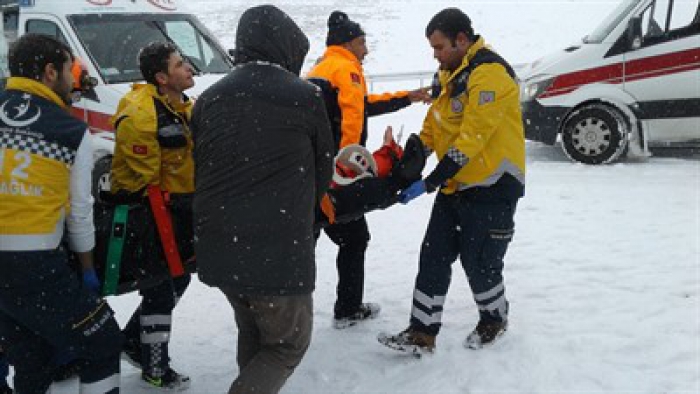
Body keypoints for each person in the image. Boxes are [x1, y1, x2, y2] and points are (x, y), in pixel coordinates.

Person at [191, 5, 333, 394]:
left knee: (253, 329)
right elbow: (323, 173)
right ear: (285, 47)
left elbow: (200, 165)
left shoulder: (209, 98)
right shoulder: (304, 97)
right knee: (287, 344)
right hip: (275, 248)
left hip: (219, 243)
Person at [378, 8, 526, 354]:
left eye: (439, 46)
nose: (435, 54)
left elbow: (472, 139)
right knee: (433, 256)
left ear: (462, 40)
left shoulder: (490, 75)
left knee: (481, 263)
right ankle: (421, 333)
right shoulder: (450, 72)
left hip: (493, 186)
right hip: (455, 185)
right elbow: (437, 122)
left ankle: (494, 319)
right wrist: (412, 154)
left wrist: (429, 182)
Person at [0, 33, 122, 393]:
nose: (74, 79)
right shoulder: (69, 129)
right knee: (102, 341)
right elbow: (80, 212)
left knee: (31, 353)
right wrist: (86, 269)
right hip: (35, 263)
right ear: (50, 72)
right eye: (71, 69)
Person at [307, 10, 431, 329]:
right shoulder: (347, 68)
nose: (366, 50)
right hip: (334, 176)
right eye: (363, 42)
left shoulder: (321, 68)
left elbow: (362, 105)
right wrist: (348, 165)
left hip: (311, 170)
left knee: (307, 240)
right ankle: (347, 309)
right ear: (349, 42)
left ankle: (290, 316)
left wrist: (406, 97)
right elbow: (352, 116)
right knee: (354, 237)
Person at [108, 41, 194, 389]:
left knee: (179, 279)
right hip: (149, 215)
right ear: (161, 77)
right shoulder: (141, 115)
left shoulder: (183, 105)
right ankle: (155, 366)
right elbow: (144, 180)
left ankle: (132, 340)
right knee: (161, 286)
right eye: (179, 64)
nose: (188, 67)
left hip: (179, 211)